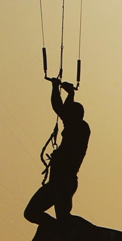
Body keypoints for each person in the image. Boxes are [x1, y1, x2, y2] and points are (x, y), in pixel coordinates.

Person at [24, 78, 90, 227]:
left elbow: (59, 108)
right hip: (58, 183)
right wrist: (70, 94)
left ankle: (74, 230)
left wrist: (55, 87)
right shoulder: (78, 126)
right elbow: (64, 111)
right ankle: (58, 230)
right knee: (33, 213)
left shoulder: (79, 128)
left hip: (63, 183)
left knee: (59, 217)